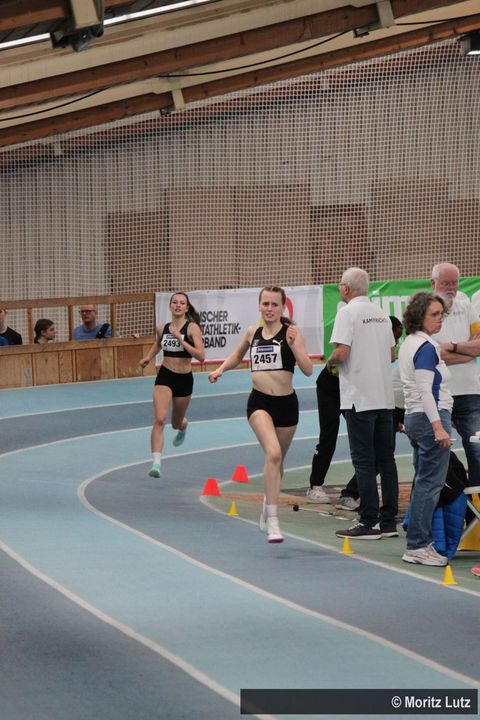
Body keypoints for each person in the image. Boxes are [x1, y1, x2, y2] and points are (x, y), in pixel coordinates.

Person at [209, 286, 313, 543]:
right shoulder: (252, 332)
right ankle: (273, 521)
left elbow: (308, 369)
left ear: (283, 307)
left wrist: (294, 346)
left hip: (286, 406)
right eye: (265, 304)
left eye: (274, 304)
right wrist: (221, 369)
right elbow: (237, 355)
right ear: (259, 306)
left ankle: (268, 503)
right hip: (259, 403)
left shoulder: (291, 333)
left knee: (277, 464)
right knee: (273, 454)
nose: (269, 308)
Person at [327, 268, 398, 540]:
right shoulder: (381, 314)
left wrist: (329, 362)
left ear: (345, 288)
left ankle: (368, 521)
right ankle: (388, 522)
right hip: (384, 398)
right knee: (386, 461)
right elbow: (391, 354)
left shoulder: (347, 313)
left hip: (359, 398)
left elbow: (342, 352)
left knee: (364, 461)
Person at [308, 316, 403, 510]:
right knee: (329, 435)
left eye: (397, 339)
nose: (395, 343)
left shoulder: (379, 352)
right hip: (331, 389)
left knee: (376, 443)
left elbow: (391, 359)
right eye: (394, 338)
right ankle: (315, 485)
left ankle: (356, 490)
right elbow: (336, 364)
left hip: (353, 392)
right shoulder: (362, 345)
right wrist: (333, 366)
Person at [398, 291, 453, 566]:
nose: (439, 319)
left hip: (416, 417)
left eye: (441, 314)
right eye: (434, 314)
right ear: (419, 317)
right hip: (428, 418)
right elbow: (425, 390)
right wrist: (438, 427)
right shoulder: (426, 347)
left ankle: (419, 541)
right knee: (429, 484)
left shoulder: (410, 343)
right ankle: (418, 545)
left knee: (424, 481)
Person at [139, 292, 205, 478]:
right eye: (175, 302)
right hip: (165, 376)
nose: (178, 305)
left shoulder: (192, 328)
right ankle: (156, 463)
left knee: (176, 422)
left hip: (184, 379)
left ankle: (183, 426)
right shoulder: (162, 328)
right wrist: (148, 358)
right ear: (170, 306)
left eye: (182, 303)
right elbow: (158, 343)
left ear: (186, 307)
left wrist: (181, 339)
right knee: (160, 419)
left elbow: (201, 356)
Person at [430, 263, 480, 486]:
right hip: (439, 394)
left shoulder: (467, 306)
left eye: (454, 283)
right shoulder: (426, 310)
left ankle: (476, 501)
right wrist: (467, 352)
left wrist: (451, 346)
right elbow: (434, 354)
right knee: (438, 452)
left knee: (477, 449)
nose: (451, 288)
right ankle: (446, 500)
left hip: (469, 392)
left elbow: (479, 346)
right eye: (446, 283)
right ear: (433, 283)